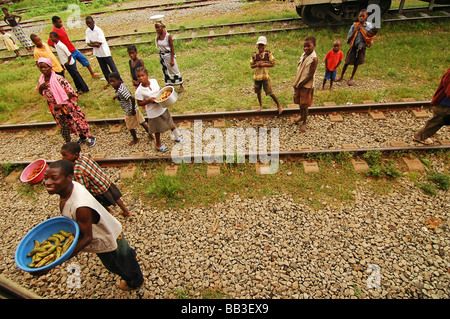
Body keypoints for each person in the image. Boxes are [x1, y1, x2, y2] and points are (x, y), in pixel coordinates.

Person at [41, 160, 144, 291]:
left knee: (117, 263)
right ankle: (130, 257)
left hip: (106, 236)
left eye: (54, 178)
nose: (48, 182)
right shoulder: (72, 186)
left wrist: (56, 261)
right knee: (125, 255)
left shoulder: (80, 206)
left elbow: (87, 238)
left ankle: (135, 281)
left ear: (68, 178)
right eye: (46, 178)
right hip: (109, 228)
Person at [36, 57, 96, 146]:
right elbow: (43, 94)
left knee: (78, 121)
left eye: (45, 67)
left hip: (67, 106)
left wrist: (61, 103)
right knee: (68, 125)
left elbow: (70, 92)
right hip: (56, 108)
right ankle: (82, 137)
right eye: (41, 68)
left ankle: (90, 137)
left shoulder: (58, 79)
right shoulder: (41, 80)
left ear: (50, 67)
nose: (43, 70)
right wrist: (41, 88)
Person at [61, 142, 132, 217]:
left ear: (75, 155)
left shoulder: (77, 170)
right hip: (105, 181)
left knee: (99, 203)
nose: (63, 158)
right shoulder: (85, 156)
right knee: (116, 198)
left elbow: (83, 187)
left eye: (65, 155)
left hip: (98, 190)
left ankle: (107, 211)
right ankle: (126, 211)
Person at [134, 67, 182, 152]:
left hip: (162, 107)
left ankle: (177, 137)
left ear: (147, 75)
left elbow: (160, 91)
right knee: (157, 130)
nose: (141, 78)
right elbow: (139, 103)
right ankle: (158, 144)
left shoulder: (153, 81)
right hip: (153, 112)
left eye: (143, 75)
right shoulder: (139, 91)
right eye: (138, 76)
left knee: (170, 123)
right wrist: (149, 101)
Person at [108, 72, 154, 146]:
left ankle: (135, 139)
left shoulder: (120, 90)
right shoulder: (120, 87)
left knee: (130, 126)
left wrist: (132, 110)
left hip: (130, 110)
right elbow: (127, 93)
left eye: (114, 81)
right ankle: (151, 135)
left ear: (119, 80)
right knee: (142, 122)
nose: (112, 83)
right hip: (135, 108)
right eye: (110, 82)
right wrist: (116, 97)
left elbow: (131, 98)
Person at [336, 9, 375, 86]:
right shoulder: (354, 26)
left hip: (361, 48)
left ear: (366, 17)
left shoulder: (368, 27)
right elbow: (348, 39)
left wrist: (369, 43)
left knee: (356, 63)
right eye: (360, 16)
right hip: (353, 47)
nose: (361, 18)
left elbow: (370, 37)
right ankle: (341, 76)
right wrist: (355, 31)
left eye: (363, 16)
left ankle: (351, 78)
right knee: (347, 62)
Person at [413, 68, 450, 145]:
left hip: (445, 104)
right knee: (437, 121)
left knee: (436, 121)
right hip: (445, 105)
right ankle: (420, 136)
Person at [85, 15, 121, 89]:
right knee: (104, 68)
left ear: (93, 22)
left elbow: (98, 44)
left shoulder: (98, 30)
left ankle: (119, 80)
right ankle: (109, 81)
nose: (89, 25)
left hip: (104, 52)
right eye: (87, 23)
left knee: (112, 67)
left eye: (90, 23)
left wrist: (93, 43)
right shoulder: (87, 31)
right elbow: (88, 43)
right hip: (98, 53)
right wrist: (94, 43)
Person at [250, 35, 282, 114]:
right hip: (257, 76)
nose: (261, 46)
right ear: (257, 45)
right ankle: (261, 105)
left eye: (262, 45)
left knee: (269, 91)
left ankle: (278, 105)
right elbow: (251, 65)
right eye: (259, 45)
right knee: (258, 91)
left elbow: (273, 63)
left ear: (265, 46)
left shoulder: (268, 53)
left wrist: (264, 65)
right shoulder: (254, 54)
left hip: (265, 75)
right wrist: (256, 65)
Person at [293, 35, 318, 133]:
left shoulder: (314, 59)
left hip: (306, 85)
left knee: (305, 105)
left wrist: (300, 84)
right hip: (300, 83)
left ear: (314, 46)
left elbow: (310, 75)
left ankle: (304, 122)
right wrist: (297, 83)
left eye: (308, 46)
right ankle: (302, 117)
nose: (306, 48)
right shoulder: (304, 55)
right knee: (300, 103)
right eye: (304, 46)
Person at [154, 19, 184, 93]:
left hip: (169, 55)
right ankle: (170, 85)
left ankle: (180, 85)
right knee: (166, 71)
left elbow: (172, 48)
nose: (157, 29)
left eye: (158, 27)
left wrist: (172, 59)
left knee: (174, 70)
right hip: (162, 56)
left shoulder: (168, 36)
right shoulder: (158, 36)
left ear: (162, 27)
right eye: (156, 28)